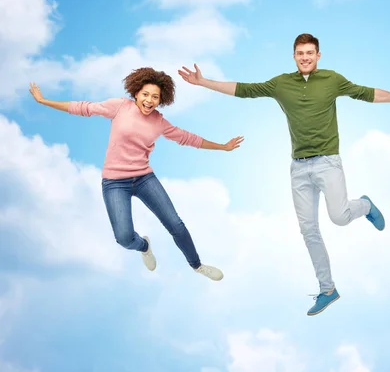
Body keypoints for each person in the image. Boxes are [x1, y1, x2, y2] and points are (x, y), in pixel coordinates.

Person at [178, 33, 390, 316]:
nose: (305, 57)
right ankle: (328, 290)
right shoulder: (281, 84)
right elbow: (244, 89)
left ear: (318, 55)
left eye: (310, 53)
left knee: (339, 217)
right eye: (300, 53)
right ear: (294, 56)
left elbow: (367, 93)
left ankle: (366, 205)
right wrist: (203, 82)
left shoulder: (332, 80)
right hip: (298, 168)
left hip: (327, 163)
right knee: (308, 230)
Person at [28, 67, 244, 281]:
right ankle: (144, 246)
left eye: (155, 97)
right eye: (145, 94)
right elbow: (82, 108)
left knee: (175, 224)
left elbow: (188, 138)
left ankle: (197, 266)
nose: (149, 100)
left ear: (162, 100)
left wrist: (223, 147)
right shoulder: (119, 107)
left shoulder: (159, 122)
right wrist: (44, 101)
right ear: (136, 93)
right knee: (123, 238)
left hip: (143, 179)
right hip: (114, 183)